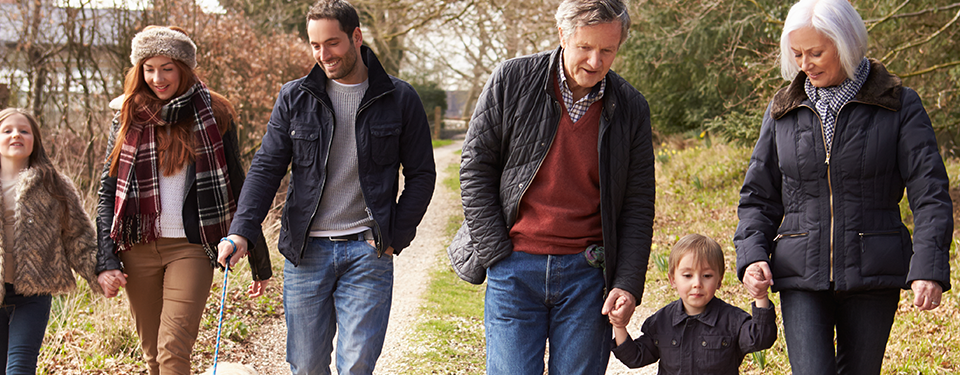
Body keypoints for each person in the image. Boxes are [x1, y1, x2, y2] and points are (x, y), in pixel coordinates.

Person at [215, 1, 436, 374]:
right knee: (305, 365)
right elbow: (267, 169)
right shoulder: (295, 97)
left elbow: (422, 174)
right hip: (307, 252)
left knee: (357, 365)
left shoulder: (400, 98)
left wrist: (396, 234)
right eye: (315, 45)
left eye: (332, 43)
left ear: (356, 37)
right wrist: (241, 233)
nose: (323, 55)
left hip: (368, 252)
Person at [734, 0, 954, 374]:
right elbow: (758, 195)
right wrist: (752, 254)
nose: (805, 63)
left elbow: (929, 191)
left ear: (847, 43)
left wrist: (928, 267)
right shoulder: (783, 109)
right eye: (798, 53)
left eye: (816, 52)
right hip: (799, 271)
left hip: (874, 268)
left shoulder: (899, 105)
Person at [447, 0, 654, 373]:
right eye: (585, 47)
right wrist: (496, 252)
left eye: (607, 50)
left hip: (587, 276)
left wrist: (627, 282)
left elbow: (638, 206)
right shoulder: (511, 79)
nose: (595, 61)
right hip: (514, 267)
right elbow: (475, 168)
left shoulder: (631, 107)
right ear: (563, 35)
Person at [94, 26, 272, 375]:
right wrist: (105, 258)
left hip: (190, 247)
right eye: (149, 68)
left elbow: (238, 183)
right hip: (137, 247)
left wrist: (259, 258)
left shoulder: (213, 114)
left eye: (167, 68)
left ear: (184, 68)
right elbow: (107, 190)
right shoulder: (127, 116)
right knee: (153, 358)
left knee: (173, 351)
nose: (157, 78)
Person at [0, 108, 102, 375]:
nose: (17, 134)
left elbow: (78, 237)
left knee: (20, 368)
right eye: (8, 130)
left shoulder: (54, 185)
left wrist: (100, 273)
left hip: (33, 296)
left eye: (24, 130)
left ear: (34, 141)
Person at [610, 234, 775, 374]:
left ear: (720, 280)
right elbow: (635, 357)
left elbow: (761, 339)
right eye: (688, 275)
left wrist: (760, 295)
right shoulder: (662, 321)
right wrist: (619, 325)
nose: (697, 283)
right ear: (673, 280)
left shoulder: (732, 320)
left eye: (707, 276)